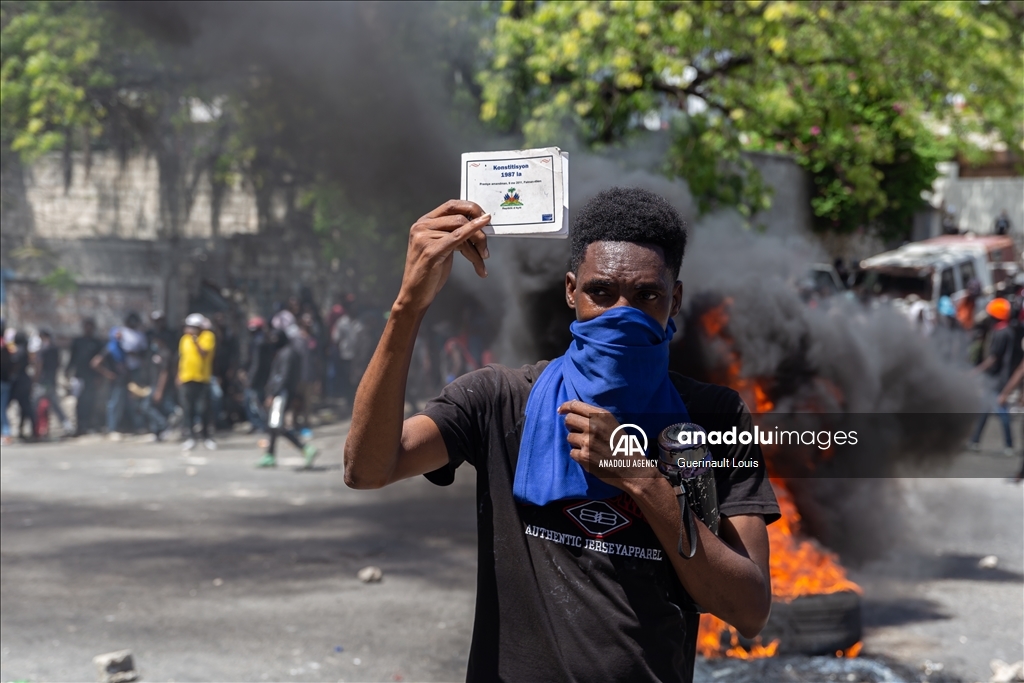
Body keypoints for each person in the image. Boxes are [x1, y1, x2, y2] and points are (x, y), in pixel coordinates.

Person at [344, 191, 779, 683]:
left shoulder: (713, 416)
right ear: (571, 291)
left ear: (674, 299)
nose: (622, 313)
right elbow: (366, 468)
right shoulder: (501, 399)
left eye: (646, 297)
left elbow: (749, 608)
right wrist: (408, 305)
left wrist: (641, 477)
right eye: (602, 292)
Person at [256, 329, 318, 468]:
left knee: (276, 425)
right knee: (273, 426)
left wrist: (273, 394)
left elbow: (282, 377)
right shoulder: (288, 352)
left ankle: (305, 448)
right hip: (282, 393)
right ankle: (270, 455)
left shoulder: (287, 353)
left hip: (281, 394)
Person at [969, 297, 1015, 453]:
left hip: (997, 379)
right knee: (985, 408)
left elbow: (993, 358)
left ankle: (1008, 445)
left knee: (1000, 410)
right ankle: (975, 440)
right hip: (1000, 377)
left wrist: (976, 371)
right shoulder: (1008, 331)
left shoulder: (1000, 333)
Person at [177, 313, 217, 451]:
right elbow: (183, 358)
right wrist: (179, 375)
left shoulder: (208, 337)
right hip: (187, 377)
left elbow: (204, 353)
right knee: (188, 409)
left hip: (202, 378)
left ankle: (206, 436)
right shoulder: (184, 340)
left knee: (203, 408)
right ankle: (190, 437)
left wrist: (195, 340)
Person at [66, 318, 104, 435]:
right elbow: (72, 358)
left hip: (91, 377)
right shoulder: (78, 341)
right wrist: (67, 372)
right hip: (79, 377)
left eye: (90, 326)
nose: (88, 328)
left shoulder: (97, 342)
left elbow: (100, 361)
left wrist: (99, 377)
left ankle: (89, 424)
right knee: (79, 402)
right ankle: (79, 425)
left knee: (90, 401)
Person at [35, 330, 73, 435]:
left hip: (43, 382)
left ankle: (37, 429)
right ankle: (67, 425)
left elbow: (39, 366)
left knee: (34, 403)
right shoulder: (55, 349)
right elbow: (59, 363)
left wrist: (35, 379)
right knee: (54, 404)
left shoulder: (43, 350)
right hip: (52, 380)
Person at [8, 331, 36, 440]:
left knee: (21, 407)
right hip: (24, 381)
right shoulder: (26, 351)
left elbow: (14, 366)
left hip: (18, 382)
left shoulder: (18, 351)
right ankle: (26, 429)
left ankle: (26, 429)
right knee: (25, 407)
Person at [1, 319, 12, 445]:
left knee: (2, 409)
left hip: (2, 381)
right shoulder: (8, 345)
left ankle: (6, 433)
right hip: (6, 381)